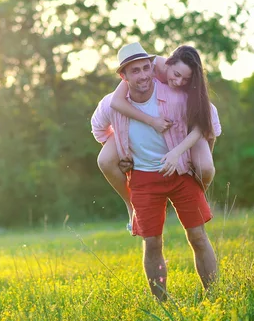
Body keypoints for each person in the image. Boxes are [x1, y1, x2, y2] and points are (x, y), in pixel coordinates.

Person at [91, 42, 217, 300]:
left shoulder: (176, 95)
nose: (143, 75)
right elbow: (98, 131)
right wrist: (120, 150)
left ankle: (214, 295)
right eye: (135, 71)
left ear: (154, 67)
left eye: (146, 68)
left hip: (181, 174)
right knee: (152, 242)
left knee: (198, 236)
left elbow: (208, 120)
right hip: (144, 180)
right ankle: (162, 303)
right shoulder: (110, 105)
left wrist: (188, 155)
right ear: (123, 77)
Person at [97, 45, 221, 231]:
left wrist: (181, 152)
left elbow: (206, 123)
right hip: (145, 123)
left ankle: (196, 199)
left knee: (205, 167)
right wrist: (123, 152)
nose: (179, 81)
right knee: (105, 160)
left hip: (193, 127)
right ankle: (131, 206)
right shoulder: (150, 67)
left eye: (185, 79)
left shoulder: (185, 91)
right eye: (176, 75)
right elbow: (115, 104)